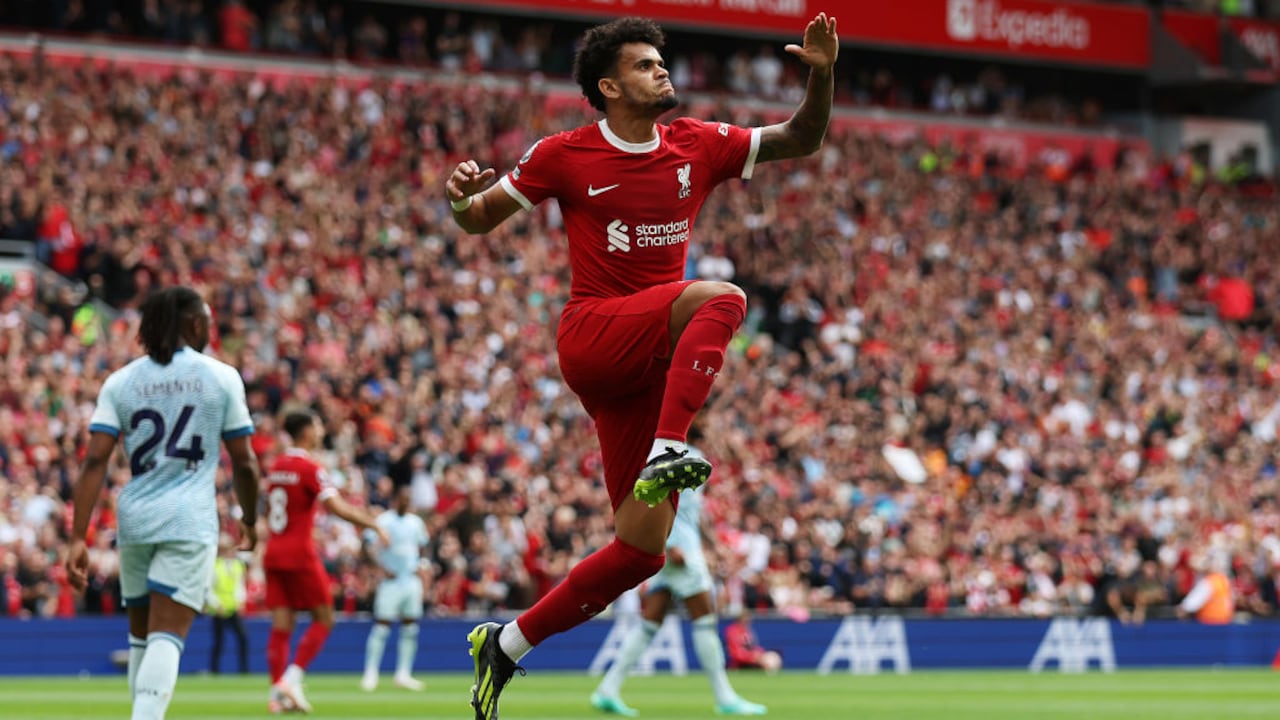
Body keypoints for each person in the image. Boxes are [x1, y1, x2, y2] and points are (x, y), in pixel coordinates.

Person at [446, 12, 837, 720]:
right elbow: (479, 218)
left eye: (662, 60)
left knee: (642, 551)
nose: (663, 69)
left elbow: (803, 137)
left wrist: (822, 74)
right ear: (608, 85)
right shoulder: (563, 153)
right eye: (644, 64)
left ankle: (504, 644)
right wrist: (460, 199)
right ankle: (669, 447)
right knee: (723, 297)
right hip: (595, 335)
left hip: (649, 362)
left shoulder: (698, 143)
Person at [65, 286, 261, 720]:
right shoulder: (220, 376)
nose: (211, 328)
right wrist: (250, 518)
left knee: (142, 637)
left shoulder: (122, 380)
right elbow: (245, 464)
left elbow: (95, 459)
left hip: (135, 517)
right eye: (207, 320)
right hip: (188, 517)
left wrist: (78, 537)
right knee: (167, 636)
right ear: (194, 324)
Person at [590, 479, 767, 715]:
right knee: (705, 619)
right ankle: (725, 698)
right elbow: (659, 496)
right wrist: (671, 543)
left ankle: (608, 689)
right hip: (680, 550)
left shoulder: (691, 452)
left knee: (649, 623)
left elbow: (692, 513)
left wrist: (712, 545)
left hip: (675, 546)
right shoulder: (677, 447)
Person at [262, 409, 389, 714]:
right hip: (299, 553)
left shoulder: (277, 465)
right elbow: (336, 507)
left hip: (273, 551)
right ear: (306, 431)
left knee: (282, 626)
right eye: (317, 424)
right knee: (324, 617)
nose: (320, 430)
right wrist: (371, 523)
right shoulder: (310, 467)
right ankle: (290, 680)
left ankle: (277, 694)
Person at [360, 485, 430, 691]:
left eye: (408, 500)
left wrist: (422, 565)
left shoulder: (415, 523)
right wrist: (380, 567)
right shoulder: (385, 520)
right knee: (381, 627)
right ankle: (370, 673)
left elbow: (424, 545)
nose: (405, 503)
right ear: (395, 500)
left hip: (410, 580)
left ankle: (403, 673)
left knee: (410, 627)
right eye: (402, 499)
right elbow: (366, 545)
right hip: (391, 581)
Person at [205, 533, 249, 674]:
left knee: (243, 638)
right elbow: (209, 588)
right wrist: (216, 605)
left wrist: (241, 602)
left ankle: (244, 670)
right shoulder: (214, 565)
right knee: (219, 642)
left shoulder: (238, 565)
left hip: (233, 608)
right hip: (219, 610)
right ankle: (214, 670)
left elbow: (239, 585)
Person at [1177, 553, 1235, 625]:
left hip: (1209, 624)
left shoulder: (1208, 582)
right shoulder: (1225, 580)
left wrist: (1182, 609)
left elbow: (1190, 604)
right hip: (1225, 622)